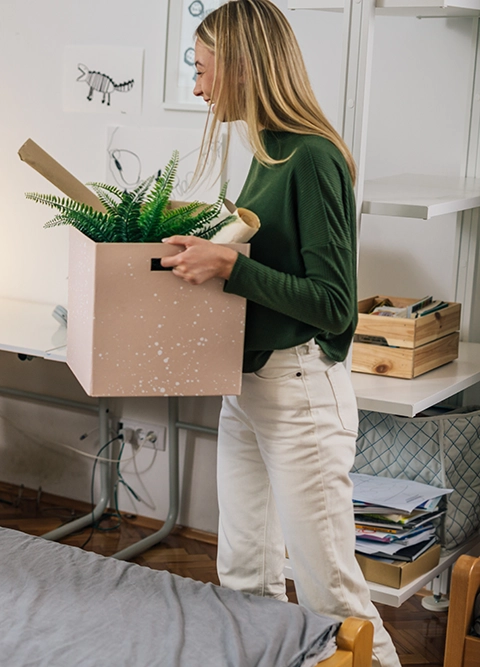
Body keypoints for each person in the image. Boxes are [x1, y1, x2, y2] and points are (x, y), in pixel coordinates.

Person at [159, 2, 400, 665]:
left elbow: (333, 305)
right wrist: (207, 255)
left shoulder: (312, 157)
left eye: (204, 71)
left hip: (300, 391)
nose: (199, 87)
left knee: (332, 595)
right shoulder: (265, 154)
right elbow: (264, 267)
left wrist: (232, 265)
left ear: (242, 66)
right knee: (242, 574)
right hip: (248, 385)